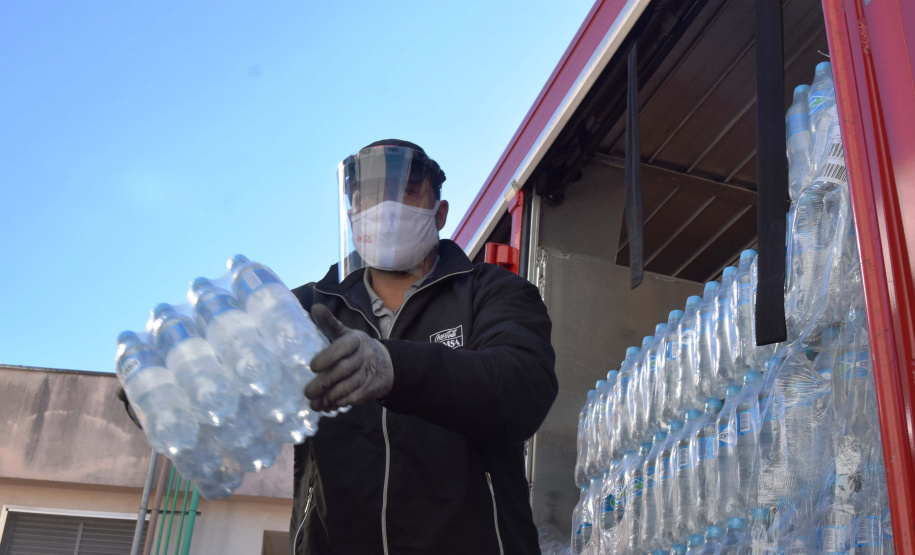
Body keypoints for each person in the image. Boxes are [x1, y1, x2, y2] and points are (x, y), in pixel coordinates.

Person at [120, 139, 557, 554]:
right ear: (352, 215)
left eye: (406, 192)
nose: (386, 209)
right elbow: (222, 374)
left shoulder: (490, 292)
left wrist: (395, 367)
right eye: (370, 198)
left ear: (439, 212)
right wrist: (162, 388)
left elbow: (523, 387)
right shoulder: (301, 310)